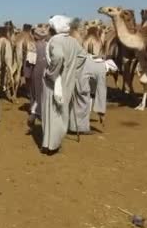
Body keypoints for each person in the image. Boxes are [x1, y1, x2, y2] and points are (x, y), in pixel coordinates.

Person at [40, 15, 87, 155]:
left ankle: (50, 145)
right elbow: (83, 56)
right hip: (68, 81)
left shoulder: (55, 41)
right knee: (63, 111)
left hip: (54, 82)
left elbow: (58, 57)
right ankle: (54, 142)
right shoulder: (72, 41)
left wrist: (52, 73)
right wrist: (72, 70)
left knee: (51, 111)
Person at [69, 56, 117, 134]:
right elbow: (102, 91)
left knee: (77, 103)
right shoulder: (102, 71)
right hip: (80, 79)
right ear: (110, 69)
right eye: (110, 73)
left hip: (76, 74)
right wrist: (101, 112)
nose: (108, 75)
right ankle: (81, 129)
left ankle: (73, 126)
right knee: (84, 103)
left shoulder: (99, 63)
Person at [27, 25, 50, 126]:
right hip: (48, 72)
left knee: (35, 91)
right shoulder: (49, 45)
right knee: (45, 91)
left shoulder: (33, 46)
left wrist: (27, 74)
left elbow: (30, 62)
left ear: (36, 36)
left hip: (36, 71)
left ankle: (34, 112)